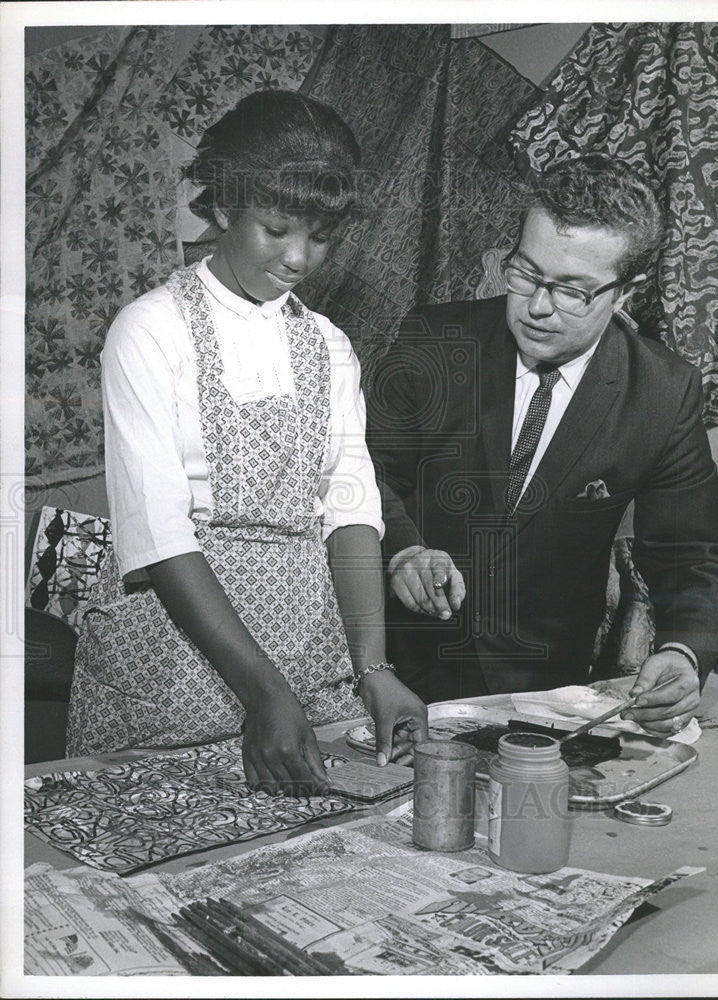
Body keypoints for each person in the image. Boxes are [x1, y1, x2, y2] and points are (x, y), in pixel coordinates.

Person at [66, 89, 427, 791]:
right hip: (178, 658)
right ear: (226, 206)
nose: (298, 257)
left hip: (308, 657)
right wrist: (263, 691)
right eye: (277, 227)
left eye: (320, 236)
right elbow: (158, 532)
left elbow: (351, 510)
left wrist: (373, 669)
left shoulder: (329, 346)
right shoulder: (150, 331)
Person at [366, 154, 718, 737]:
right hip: (397, 680)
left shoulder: (662, 393)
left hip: (544, 699)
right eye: (526, 273)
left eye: (572, 292)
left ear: (626, 293)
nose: (538, 307)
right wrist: (403, 550)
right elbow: (363, 474)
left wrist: (684, 651)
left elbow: (692, 554)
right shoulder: (435, 340)